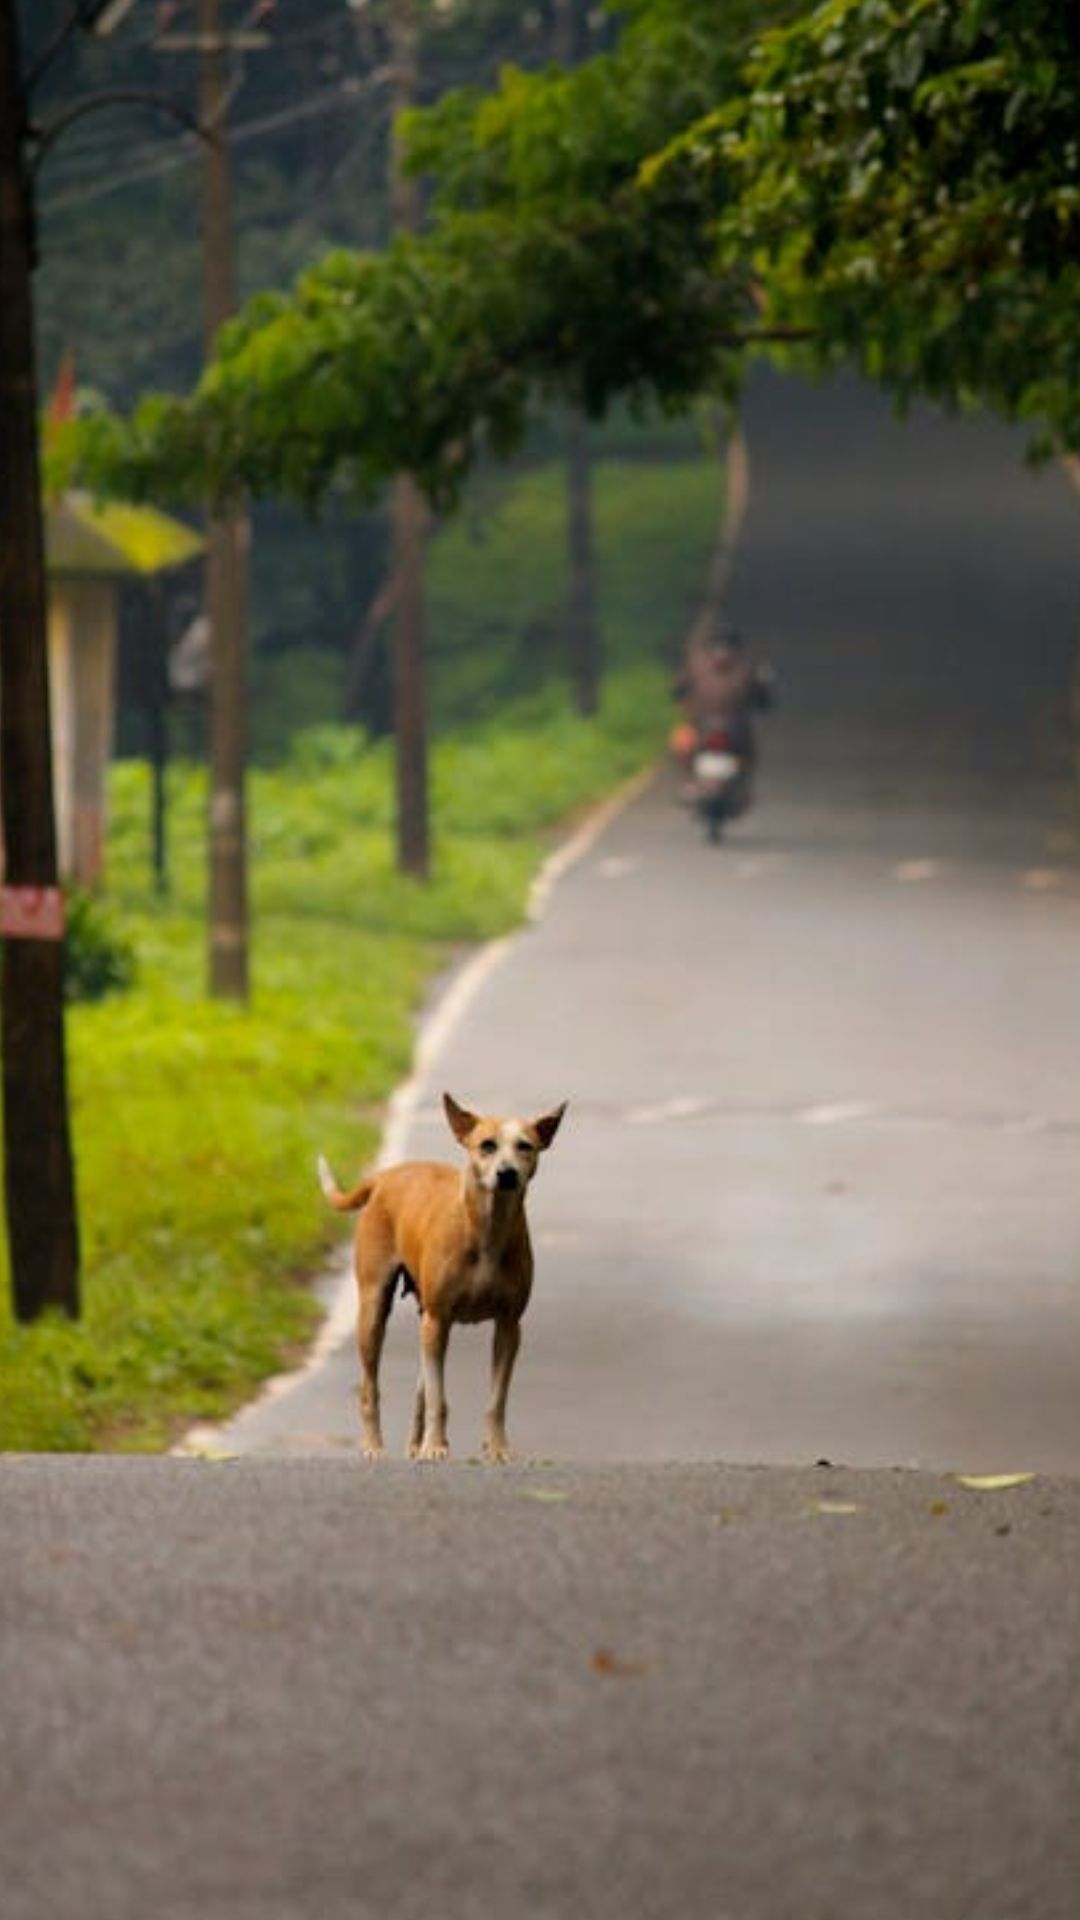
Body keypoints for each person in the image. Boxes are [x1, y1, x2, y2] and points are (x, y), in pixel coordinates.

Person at [670, 619, 776, 807]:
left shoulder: (697, 667)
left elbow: (678, 691)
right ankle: (698, 781)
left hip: (721, 730)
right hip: (712, 729)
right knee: (683, 743)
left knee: (684, 743)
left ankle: (698, 782)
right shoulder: (746, 670)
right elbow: (762, 701)